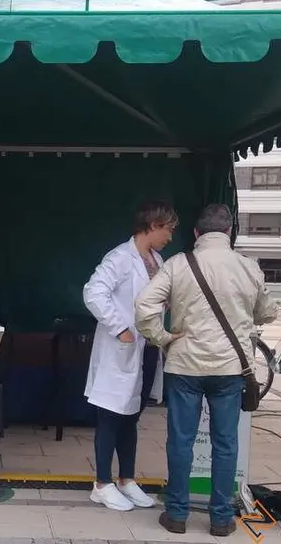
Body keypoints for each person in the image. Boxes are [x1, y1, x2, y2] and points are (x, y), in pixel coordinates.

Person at [135, 203, 279, 537]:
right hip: (230, 368)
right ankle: (221, 519)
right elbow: (268, 312)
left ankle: (177, 515)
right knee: (226, 444)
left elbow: (144, 307)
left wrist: (164, 339)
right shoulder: (248, 267)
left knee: (181, 441)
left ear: (197, 233)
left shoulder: (177, 264)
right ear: (229, 233)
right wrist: (244, 318)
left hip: (185, 365)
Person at [83, 200, 179, 511]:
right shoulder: (120, 258)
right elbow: (93, 292)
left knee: (131, 416)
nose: (170, 236)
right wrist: (119, 326)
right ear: (152, 226)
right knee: (110, 415)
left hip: (146, 349)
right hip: (121, 347)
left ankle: (126, 479)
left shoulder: (157, 259)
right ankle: (101, 483)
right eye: (168, 229)